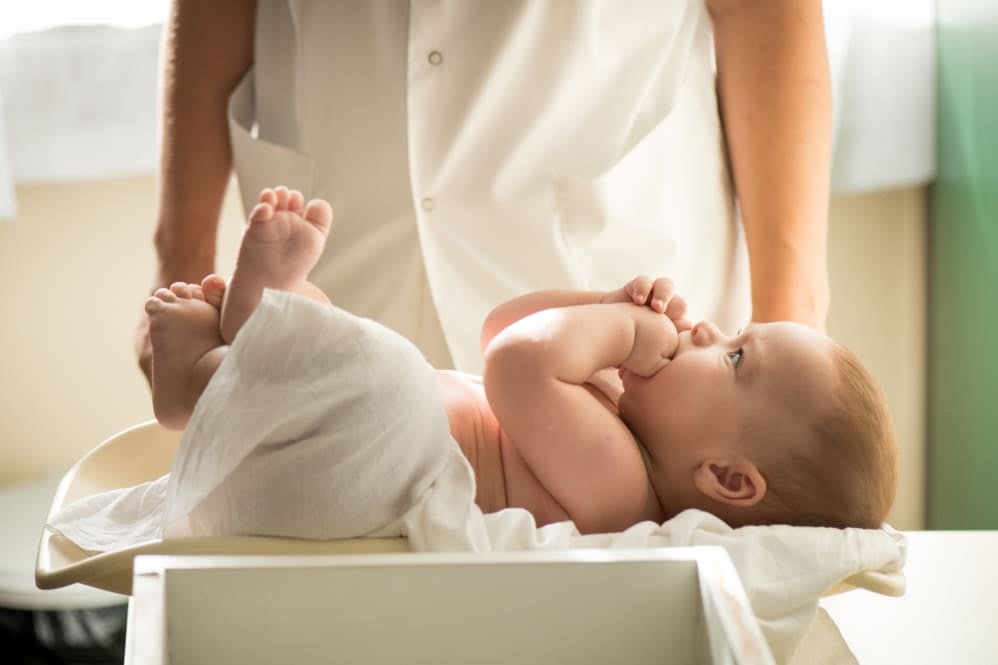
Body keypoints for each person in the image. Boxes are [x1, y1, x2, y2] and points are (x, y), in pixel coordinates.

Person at [145, 187, 896, 537]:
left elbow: (512, 364)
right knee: (356, 351)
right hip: (343, 442)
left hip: (358, 473)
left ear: (727, 478)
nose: (704, 332)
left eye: (734, 356)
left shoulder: (624, 492)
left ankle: (195, 383)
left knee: (390, 378)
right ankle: (262, 327)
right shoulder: (610, 408)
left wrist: (620, 329)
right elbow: (503, 326)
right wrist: (602, 299)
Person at [136, 0, 833, 378]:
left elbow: (760, 9)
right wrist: (180, 256)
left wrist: (792, 320)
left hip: (618, 272)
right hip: (341, 261)